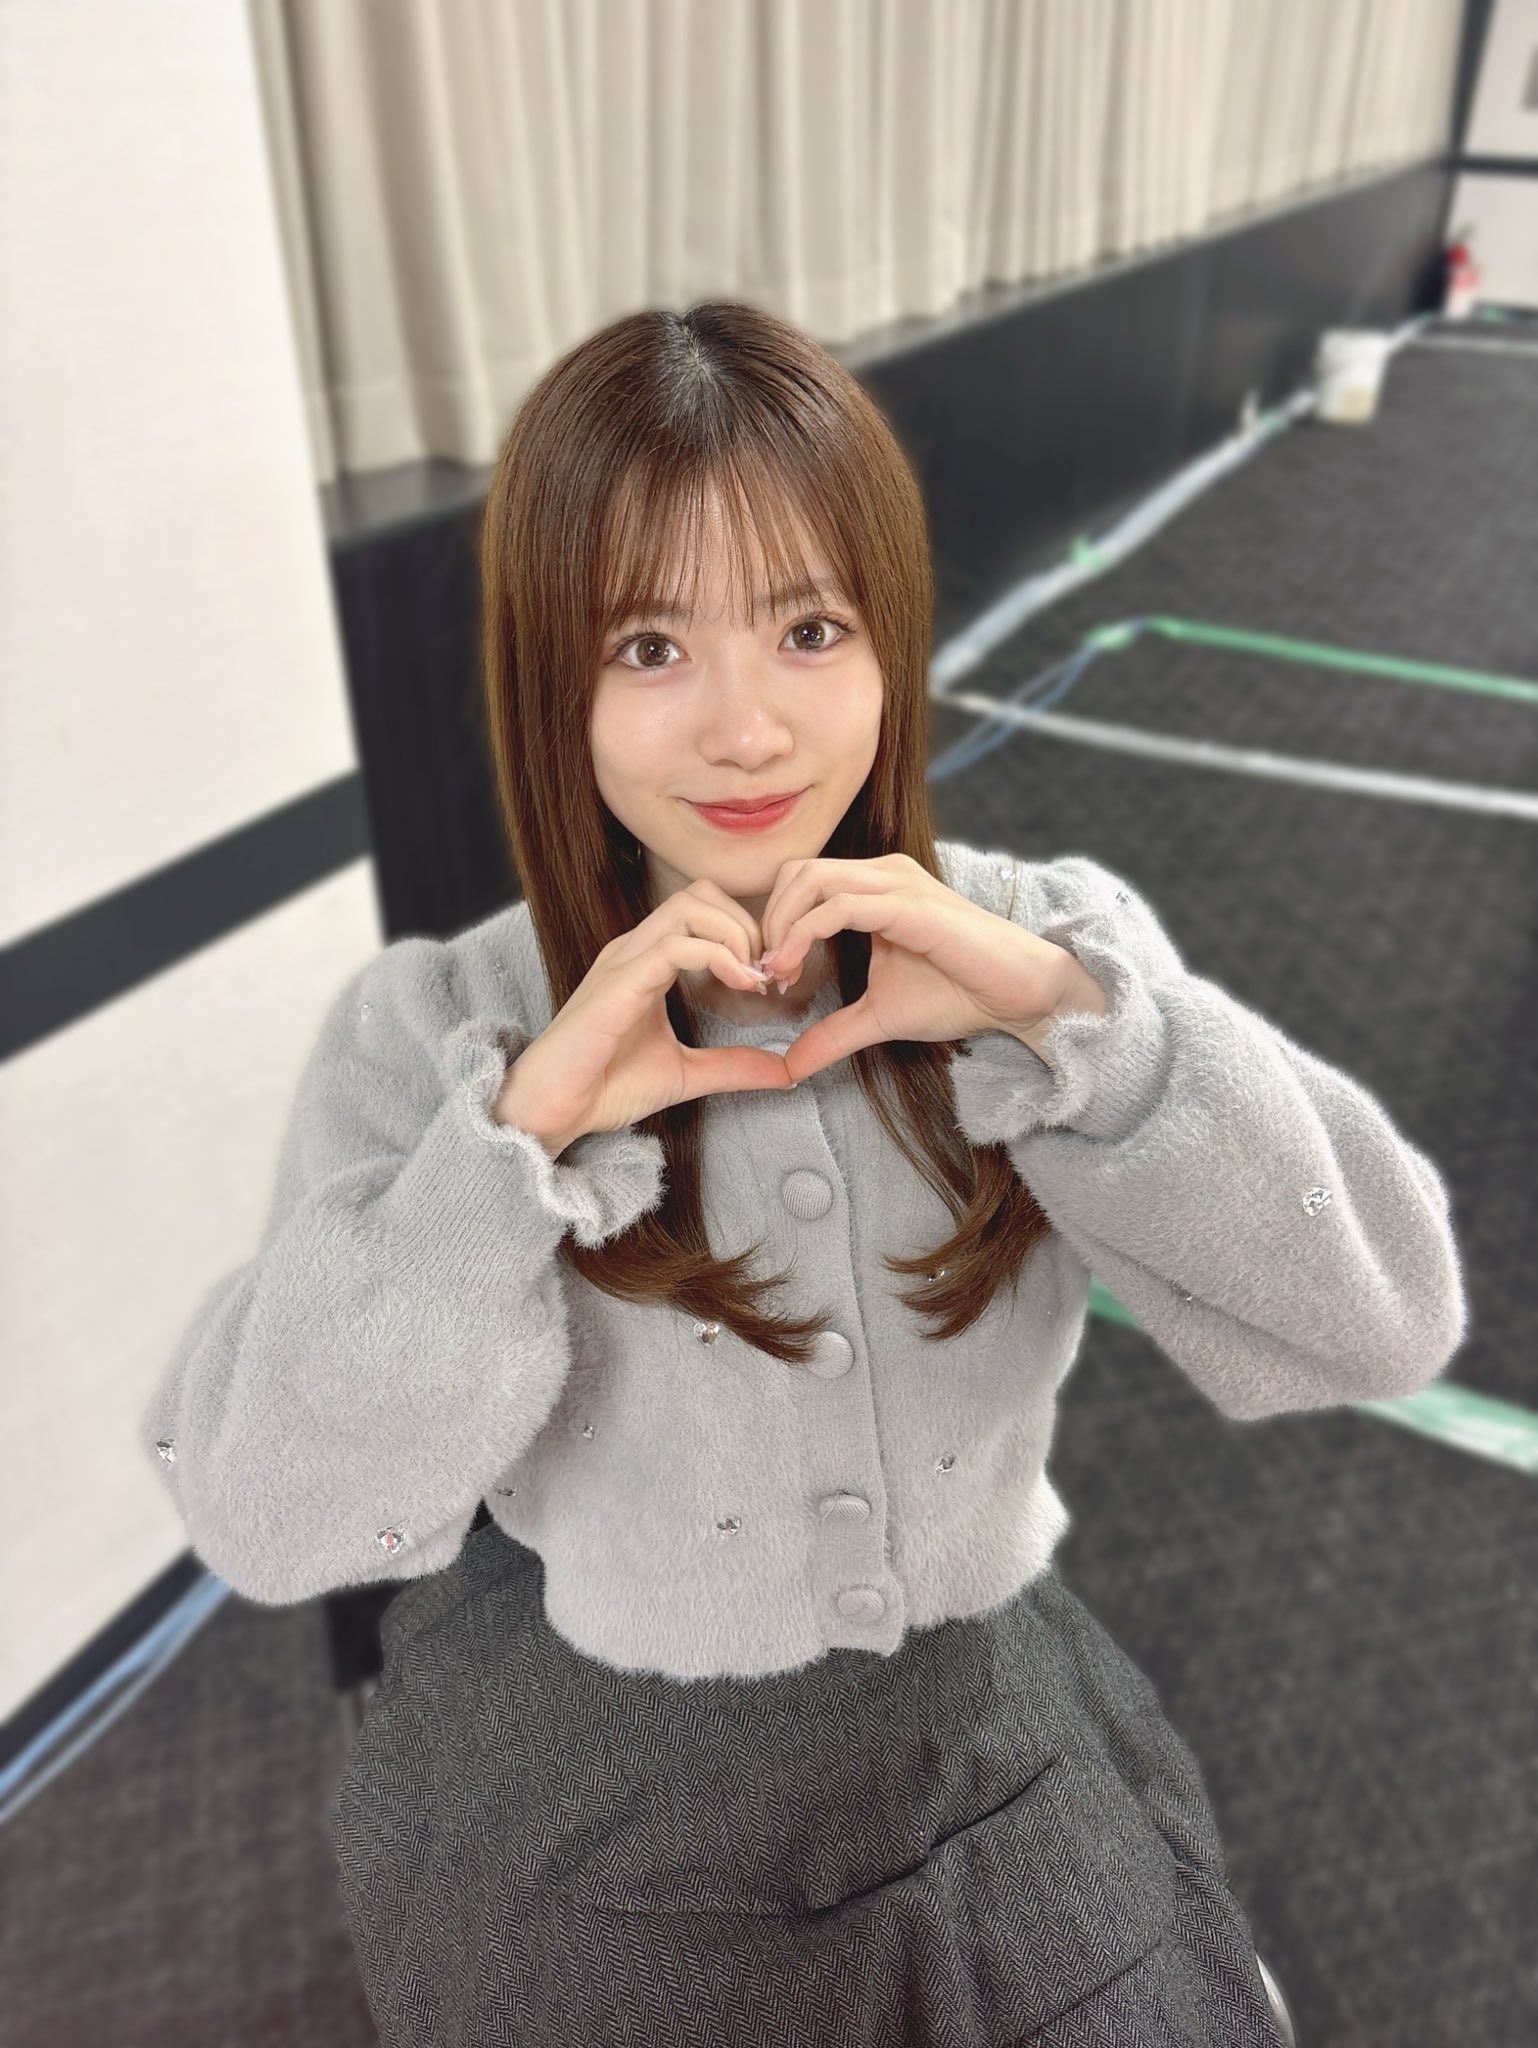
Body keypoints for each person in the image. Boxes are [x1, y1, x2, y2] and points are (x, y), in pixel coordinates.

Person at [140, 300, 1465, 2046]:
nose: (746, 731)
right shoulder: (440, 1027)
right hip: (595, 1782)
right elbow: (268, 1520)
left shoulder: (1042, 943)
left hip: (983, 1731)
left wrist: (1078, 1024)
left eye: (808, 628)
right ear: (552, 683)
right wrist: (513, 1149)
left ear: (888, 643)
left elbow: (1382, 1320)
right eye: (647, 646)